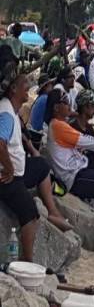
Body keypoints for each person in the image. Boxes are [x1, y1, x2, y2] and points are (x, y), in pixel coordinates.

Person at [0, 71, 72, 263]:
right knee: (31, 216)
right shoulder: (6, 112)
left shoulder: (11, 111)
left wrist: (30, 147)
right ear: (13, 89)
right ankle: (28, 261)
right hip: (8, 177)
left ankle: (53, 212)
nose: (28, 87)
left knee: (41, 165)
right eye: (25, 84)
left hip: (17, 169)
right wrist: (8, 168)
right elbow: (0, 143)